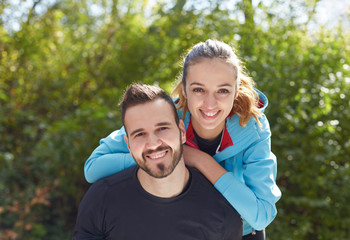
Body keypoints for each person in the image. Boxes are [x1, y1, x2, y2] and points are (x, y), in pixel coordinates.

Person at [84, 39, 281, 239]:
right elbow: (93, 168)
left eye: (223, 90)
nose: (210, 103)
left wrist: (197, 159)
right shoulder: (167, 116)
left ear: (236, 90)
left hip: (241, 231)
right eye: (198, 89)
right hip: (186, 224)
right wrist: (154, 155)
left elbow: (261, 215)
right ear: (184, 89)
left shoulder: (254, 128)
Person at [73, 84, 243, 239]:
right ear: (129, 146)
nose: (153, 144)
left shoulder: (223, 213)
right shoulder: (101, 199)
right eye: (140, 134)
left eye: (162, 128)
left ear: (182, 132)